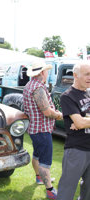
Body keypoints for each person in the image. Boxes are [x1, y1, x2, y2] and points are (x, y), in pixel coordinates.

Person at [23, 61, 62, 200]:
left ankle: (39, 178)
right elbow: (46, 111)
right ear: (41, 73)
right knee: (45, 161)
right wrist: (58, 115)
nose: (47, 73)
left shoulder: (29, 85)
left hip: (35, 129)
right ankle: (50, 190)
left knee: (37, 155)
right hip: (41, 130)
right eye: (46, 71)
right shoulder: (38, 88)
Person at [57, 61, 90, 200]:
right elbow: (80, 123)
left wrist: (83, 121)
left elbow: (82, 121)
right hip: (77, 149)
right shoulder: (67, 96)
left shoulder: (88, 93)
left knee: (88, 189)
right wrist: (81, 122)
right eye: (87, 74)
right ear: (75, 75)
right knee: (67, 188)